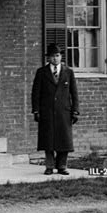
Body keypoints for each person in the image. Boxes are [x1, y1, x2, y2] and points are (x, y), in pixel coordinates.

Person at [31, 43, 79, 175]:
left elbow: (74, 93)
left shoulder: (68, 72)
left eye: (57, 56)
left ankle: (62, 166)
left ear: (61, 57)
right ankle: (49, 166)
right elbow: (36, 93)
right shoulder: (41, 72)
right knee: (48, 141)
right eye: (52, 56)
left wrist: (75, 110)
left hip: (64, 112)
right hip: (47, 112)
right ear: (48, 58)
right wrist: (36, 110)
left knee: (64, 140)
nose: (55, 59)